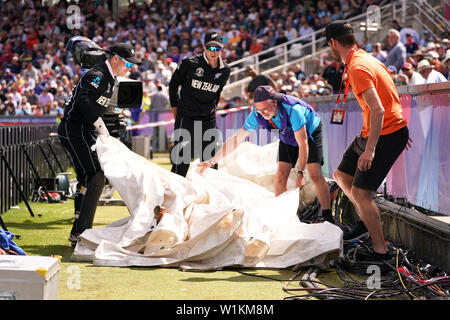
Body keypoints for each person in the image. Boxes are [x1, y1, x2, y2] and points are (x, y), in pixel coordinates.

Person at [325, 21, 411, 262]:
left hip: (384, 134)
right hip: (379, 130)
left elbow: (378, 109)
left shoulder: (358, 67)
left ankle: (380, 251)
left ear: (333, 43)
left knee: (362, 193)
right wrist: (401, 124)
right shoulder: (365, 58)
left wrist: (370, 150)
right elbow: (390, 92)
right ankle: (366, 220)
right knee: (341, 176)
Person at [198, 86, 334, 224]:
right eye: (259, 110)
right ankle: (284, 218)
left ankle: (327, 215)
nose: (263, 113)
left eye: (265, 109)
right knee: (281, 176)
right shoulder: (256, 114)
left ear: (274, 102)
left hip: (309, 132)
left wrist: (300, 173)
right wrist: (212, 161)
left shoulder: (294, 110)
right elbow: (237, 139)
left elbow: (303, 143)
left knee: (314, 173)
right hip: (287, 134)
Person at [58, 43, 141, 246]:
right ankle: (82, 232)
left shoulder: (109, 78)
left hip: (84, 129)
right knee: (96, 174)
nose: (130, 67)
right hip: (74, 129)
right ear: (115, 59)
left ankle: (78, 230)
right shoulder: (98, 74)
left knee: (88, 177)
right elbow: (83, 102)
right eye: (127, 63)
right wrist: (98, 123)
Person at [169, 31, 231, 177]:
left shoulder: (225, 71)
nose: (213, 51)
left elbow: (217, 93)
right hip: (186, 116)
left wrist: (211, 110)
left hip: (208, 119)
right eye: (210, 47)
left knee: (210, 161)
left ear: (221, 49)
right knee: (181, 160)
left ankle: (211, 197)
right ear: (204, 46)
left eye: (217, 48)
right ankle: (174, 196)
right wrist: (174, 107)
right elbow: (173, 84)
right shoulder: (190, 63)